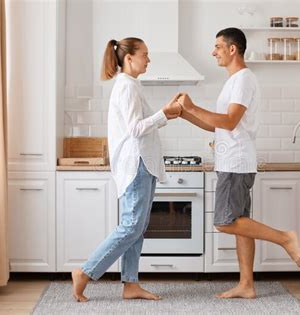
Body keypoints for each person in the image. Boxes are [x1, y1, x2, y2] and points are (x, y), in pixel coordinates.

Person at [177, 27, 300, 299]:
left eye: (218, 47)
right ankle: (246, 284)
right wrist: (185, 114)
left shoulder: (244, 80)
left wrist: (193, 106)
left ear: (232, 49)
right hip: (233, 160)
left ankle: (285, 238)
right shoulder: (234, 81)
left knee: (224, 222)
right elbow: (219, 126)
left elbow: (230, 121)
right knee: (240, 222)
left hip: (235, 163)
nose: (214, 52)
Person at [71, 37, 182, 302]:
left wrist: (168, 113)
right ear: (129, 58)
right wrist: (164, 113)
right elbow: (135, 129)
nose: (148, 59)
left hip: (144, 162)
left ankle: (130, 284)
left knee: (138, 227)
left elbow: (144, 123)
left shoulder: (132, 85)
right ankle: (85, 272)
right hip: (137, 162)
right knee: (132, 225)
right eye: (145, 54)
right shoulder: (126, 87)